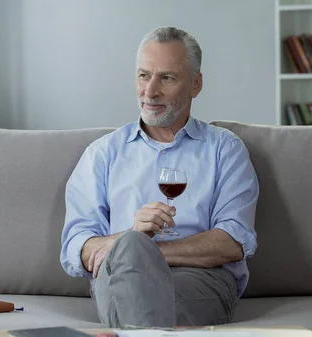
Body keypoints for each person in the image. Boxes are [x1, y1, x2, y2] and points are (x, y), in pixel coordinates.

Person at [60, 26, 259, 328]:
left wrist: (144, 251)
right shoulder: (103, 154)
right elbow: (78, 246)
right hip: (117, 277)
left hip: (199, 280)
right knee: (132, 273)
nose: (150, 91)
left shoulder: (225, 150)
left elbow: (232, 241)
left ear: (195, 84)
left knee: (135, 272)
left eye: (166, 78)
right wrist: (130, 244)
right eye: (143, 76)